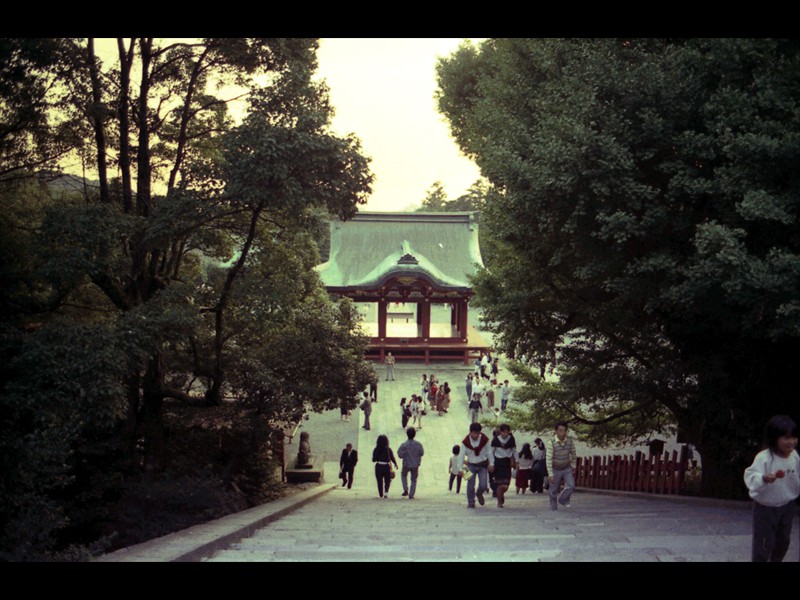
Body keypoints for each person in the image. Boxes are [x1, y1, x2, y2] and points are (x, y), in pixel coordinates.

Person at [743, 414, 800, 562]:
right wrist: (763, 478)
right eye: (786, 438)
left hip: (787, 505)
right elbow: (750, 475)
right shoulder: (764, 457)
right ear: (774, 438)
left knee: (783, 541)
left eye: (794, 437)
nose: (791, 442)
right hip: (765, 508)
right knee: (763, 543)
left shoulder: (794, 456)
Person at [458, 422, 494, 508]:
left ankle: (479, 493)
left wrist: (492, 463)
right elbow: (461, 455)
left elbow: (489, 452)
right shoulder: (465, 442)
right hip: (470, 464)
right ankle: (471, 501)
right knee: (470, 484)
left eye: (478, 433)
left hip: (483, 464)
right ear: (470, 432)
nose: (476, 435)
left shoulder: (485, 440)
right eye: (474, 433)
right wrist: (460, 468)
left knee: (483, 485)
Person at [547, 421, 576, 510]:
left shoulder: (570, 441)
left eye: (564, 431)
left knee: (571, 485)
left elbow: (573, 454)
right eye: (560, 430)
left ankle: (563, 499)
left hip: (566, 467)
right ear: (556, 431)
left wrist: (573, 465)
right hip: (555, 468)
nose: (562, 433)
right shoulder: (551, 442)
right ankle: (554, 508)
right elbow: (548, 459)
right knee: (553, 490)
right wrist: (550, 474)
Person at [491, 425, 517, 506]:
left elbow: (514, 451)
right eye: (503, 432)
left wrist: (517, 461)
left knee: (506, 485)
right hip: (498, 462)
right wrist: (491, 463)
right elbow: (491, 452)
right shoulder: (496, 439)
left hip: (507, 462)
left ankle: (501, 494)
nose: (505, 434)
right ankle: (499, 502)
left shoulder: (511, 439)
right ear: (500, 431)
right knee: (499, 484)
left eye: (507, 432)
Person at [397, 427, 425, 499]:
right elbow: (422, 453)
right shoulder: (418, 444)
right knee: (414, 479)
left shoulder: (404, 445)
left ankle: (405, 489)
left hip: (406, 464)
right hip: (415, 464)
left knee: (403, 475)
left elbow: (400, 454)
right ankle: (411, 494)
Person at [372, 434, 398, 499]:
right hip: (386, 466)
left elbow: (374, 459)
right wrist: (395, 464)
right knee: (387, 480)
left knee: (379, 481)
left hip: (378, 466)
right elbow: (392, 457)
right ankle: (386, 492)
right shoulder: (388, 449)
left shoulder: (376, 449)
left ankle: (380, 494)